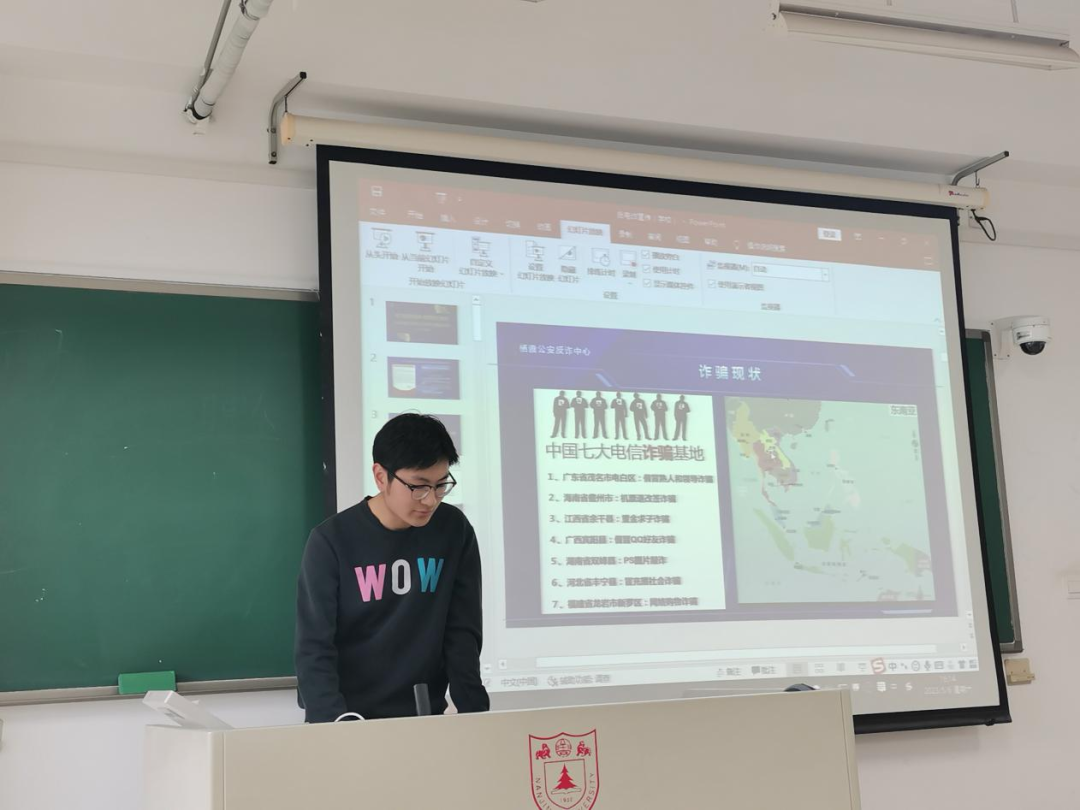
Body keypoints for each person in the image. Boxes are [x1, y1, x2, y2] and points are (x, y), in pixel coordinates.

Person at [295, 413, 489, 722]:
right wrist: (334, 725)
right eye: (419, 486)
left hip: (423, 715)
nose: (430, 500)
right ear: (381, 476)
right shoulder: (331, 541)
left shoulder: (454, 530)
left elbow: (462, 631)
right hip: (347, 718)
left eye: (441, 485)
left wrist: (476, 716)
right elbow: (314, 646)